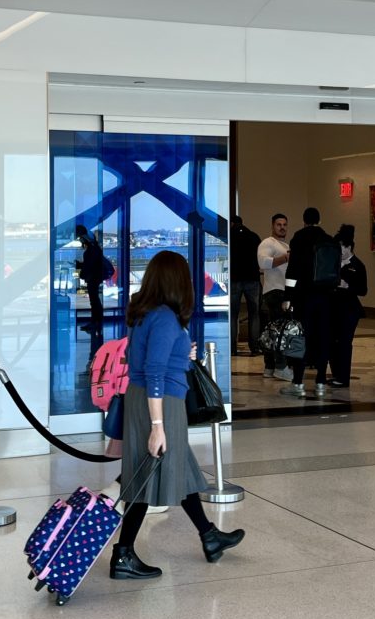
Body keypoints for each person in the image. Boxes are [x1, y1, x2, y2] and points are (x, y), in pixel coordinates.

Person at [111, 251, 245, 580]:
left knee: (180, 469)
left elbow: (136, 356)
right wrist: (157, 426)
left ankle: (209, 536)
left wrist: (183, 355)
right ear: (176, 281)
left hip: (147, 399)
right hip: (160, 404)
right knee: (146, 475)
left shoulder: (144, 314)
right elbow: (154, 372)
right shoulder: (165, 317)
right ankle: (123, 555)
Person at [282, 207, 335, 398]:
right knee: (322, 337)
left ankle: (298, 382)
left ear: (304, 220)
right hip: (326, 297)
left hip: (304, 296)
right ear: (319, 221)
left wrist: (288, 296)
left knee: (300, 337)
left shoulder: (299, 238)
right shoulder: (328, 239)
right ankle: (321, 381)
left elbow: (293, 269)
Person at [327, 224, 368, 388]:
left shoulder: (358, 265)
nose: (339, 251)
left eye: (341, 248)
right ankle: (336, 373)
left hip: (349, 310)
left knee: (344, 342)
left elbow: (363, 290)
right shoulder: (333, 264)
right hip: (333, 308)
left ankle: (343, 377)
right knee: (331, 342)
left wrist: (348, 287)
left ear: (349, 247)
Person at [257, 213, 291, 379]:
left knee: (272, 331)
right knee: (280, 331)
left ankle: (269, 367)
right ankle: (281, 366)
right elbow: (263, 263)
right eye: (279, 224)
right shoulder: (268, 243)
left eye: (284, 224)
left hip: (280, 291)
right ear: (272, 226)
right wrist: (285, 258)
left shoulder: (284, 244)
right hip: (274, 291)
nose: (282, 227)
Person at [73, 224, 111, 361]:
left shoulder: (91, 250)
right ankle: (95, 321)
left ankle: (96, 321)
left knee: (94, 300)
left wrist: (81, 269)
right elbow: (91, 263)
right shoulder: (94, 249)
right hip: (94, 277)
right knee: (94, 300)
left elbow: (90, 264)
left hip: (93, 278)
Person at [230, 215, 263, 357]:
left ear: (231, 223)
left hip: (234, 279)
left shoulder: (228, 237)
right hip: (253, 279)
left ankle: (232, 347)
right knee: (254, 314)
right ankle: (254, 347)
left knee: (233, 315)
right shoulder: (254, 237)